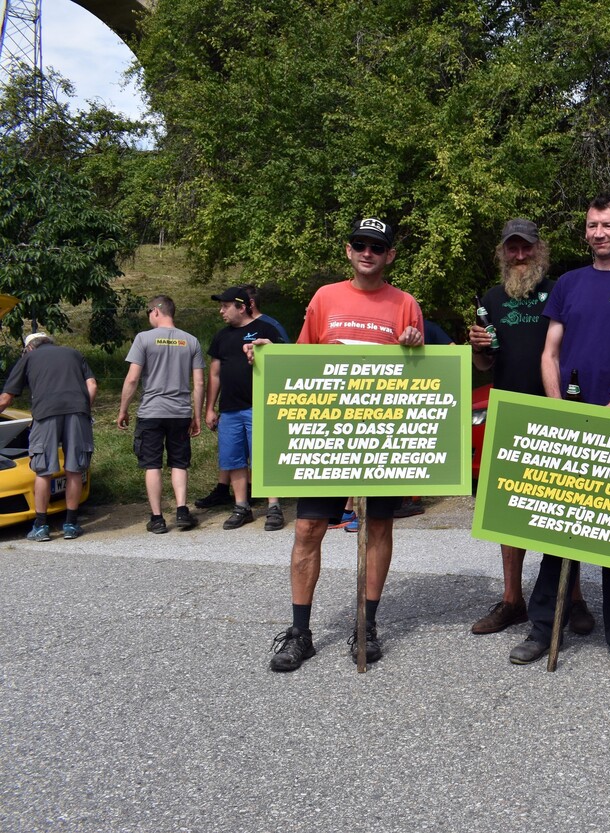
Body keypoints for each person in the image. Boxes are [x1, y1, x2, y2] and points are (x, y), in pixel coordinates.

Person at [507, 194, 610, 673]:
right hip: (569, 425)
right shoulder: (569, 285)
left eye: (608, 225)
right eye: (592, 225)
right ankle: (542, 628)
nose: (599, 233)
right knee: (557, 531)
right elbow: (549, 353)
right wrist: (558, 409)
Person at [266, 217, 425, 673]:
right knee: (307, 530)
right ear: (348, 250)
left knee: (378, 528)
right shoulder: (324, 298)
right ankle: (300, 633)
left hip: (381, 436)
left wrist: (414, 345)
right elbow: (298, 363)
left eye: (378, 246)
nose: (368, 252)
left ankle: (366, 625)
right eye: (360, 244)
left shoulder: (405, 303)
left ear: (390, 255)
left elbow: (420, 376)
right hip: (326, 435)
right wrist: (263, 355)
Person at [466, 218, 594, 637]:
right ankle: (512, 601)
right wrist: (478, 350)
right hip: (510, 413)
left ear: (541, 248)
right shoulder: (491, 299)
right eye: (512, 249)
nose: (519, 256)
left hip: (557, 411)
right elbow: (486, 364)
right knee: (508, 514)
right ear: (502, 252)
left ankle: (571, 597)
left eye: (526, 248)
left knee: (563, 509)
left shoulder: (562, 291)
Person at [117, 295, 205, 534]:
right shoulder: (191, 341)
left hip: (151, 412)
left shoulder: (143, 339)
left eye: (148, 313)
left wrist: (123, 409)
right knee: (179, 462)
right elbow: (199, 383)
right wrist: (196, 415)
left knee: (152, 464)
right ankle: (182, 511)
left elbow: (133, 378)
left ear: (156, 311)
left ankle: (157, 518)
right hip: (180, 412)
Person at [203, 286, 286, 531]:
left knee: (264, 457)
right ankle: (242, 507)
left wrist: (271, 349)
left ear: (242, 306)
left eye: (225, 306)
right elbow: (215, 374)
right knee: (233, 459)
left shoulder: (266, 329)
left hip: (259, 407)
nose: (221, 311)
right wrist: (210, 408)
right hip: (229, 409)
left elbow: (285, 362)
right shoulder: (221, 337)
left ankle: (274, 507)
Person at [0, 333, 96, 541]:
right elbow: (92, 386)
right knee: (74, 468)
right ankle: (71, 524)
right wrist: (83, 409)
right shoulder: (73, 353)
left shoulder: (29, 358)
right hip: (78, 413)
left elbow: (6, 398)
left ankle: (41, 526)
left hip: (46, 414)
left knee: (43, 470)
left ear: (30, 348)